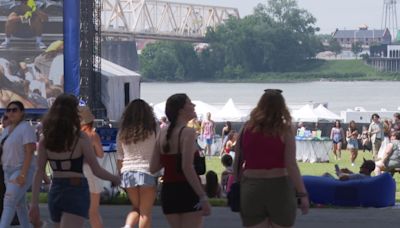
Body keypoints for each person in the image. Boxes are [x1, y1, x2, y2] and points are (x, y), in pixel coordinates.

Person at [29, 94, 120, 228]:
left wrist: (34, 203)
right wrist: (114, 178)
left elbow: (39, 171)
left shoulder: (46, 139)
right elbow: (96, 169)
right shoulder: (80, 138)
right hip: (76, 189)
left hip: (56, 189)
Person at [233, 89, 308, 228]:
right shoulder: (285, 130)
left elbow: (238, 159)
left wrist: (236, 183)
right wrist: (302, 193)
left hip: (251, 185)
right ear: (282, 107)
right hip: (279, 186)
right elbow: (291, 164)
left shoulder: (246, 128)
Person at [150, 93, 211, 228]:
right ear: (181, 110)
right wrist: (202, 196)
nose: (194, 105)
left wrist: (169, 160)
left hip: (168, 191)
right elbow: (187, 167)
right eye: (190, 103)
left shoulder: (162, 133)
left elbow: (153, 167)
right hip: (187, 190)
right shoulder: (188, 132)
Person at [116, 99, 158, 228]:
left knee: (136, 207)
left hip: (127, 172)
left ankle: (128, 226)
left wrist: (120, 176)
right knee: (145, 213)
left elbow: (119, 157)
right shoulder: (154, 128)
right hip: (147, 171)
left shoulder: (123, 131)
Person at [0, 101, 36, 227]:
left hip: (20, 170)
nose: (11, 112)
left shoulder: (26, 128)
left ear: (22, 113)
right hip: (7, 171)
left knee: (9, 202)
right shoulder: (6, 130)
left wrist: (23, 174)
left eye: (14, 110)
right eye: (8, 110)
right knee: (19, 205)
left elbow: (29, 151)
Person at [79, 106, 105, 228]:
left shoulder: (69, 136)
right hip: (89, 171)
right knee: (93, 212)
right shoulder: (92, 135)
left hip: (72, 172)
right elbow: (100, 154)